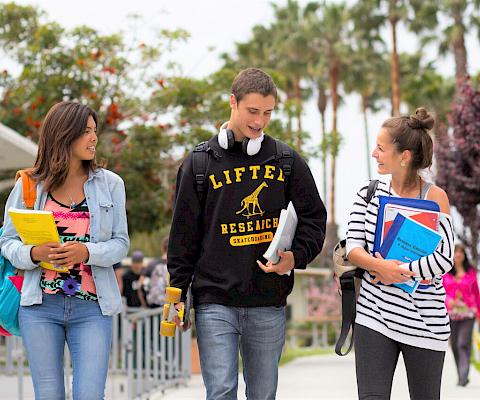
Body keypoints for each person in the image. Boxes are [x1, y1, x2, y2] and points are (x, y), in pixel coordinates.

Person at [168, 67, 326, 399]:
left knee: (263, 395)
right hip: (214, 302)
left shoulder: (286, 162)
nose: (260, 120)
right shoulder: (199, 164)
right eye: (253, 111)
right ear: (233, 103)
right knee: (221, 391)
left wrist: (295, 257)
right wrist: (177, 297)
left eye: (267, 112)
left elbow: (314, 219)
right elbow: (182, 239)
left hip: (267, 301)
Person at [0, 101, 129, 399]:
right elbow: (7, 242)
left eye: (95, 131)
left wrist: (87, 253)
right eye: (85, 132)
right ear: (63, 134)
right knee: (48, 394)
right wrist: (34, 254)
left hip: (93, 308)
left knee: (90, 394)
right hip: (39, 306)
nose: (94, 138)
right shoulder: (29, 185)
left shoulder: (111, 185)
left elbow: (121, 244)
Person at [345, 107, 455, 400]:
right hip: (374, 315)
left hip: (425, 323)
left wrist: (400, 272)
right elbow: (352, 247)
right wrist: (378, 267)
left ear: (404, 156)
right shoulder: (367, 194)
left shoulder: (435, 198)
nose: (374, 154)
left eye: (381, 149)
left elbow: (445, 259)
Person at [443, 244, 480, 387]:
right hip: (452, 315)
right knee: (455, 345)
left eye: (460, 252)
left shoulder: (471, 273)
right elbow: (442, 293)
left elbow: (476, 294)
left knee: (462, 343)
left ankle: (464, 375)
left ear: (464, 255)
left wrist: (478, 313)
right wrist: (449, 301)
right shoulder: (446, 274)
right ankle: (461, 373)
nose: (458, 254)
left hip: (468, 314)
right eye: (455, 252)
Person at [142, 236, 169, 308]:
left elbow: (141, 284)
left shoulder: (152, 264)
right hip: (170, 307)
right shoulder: (177, 266)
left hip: (153, 306)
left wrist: (144, 304)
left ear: (162, 248)